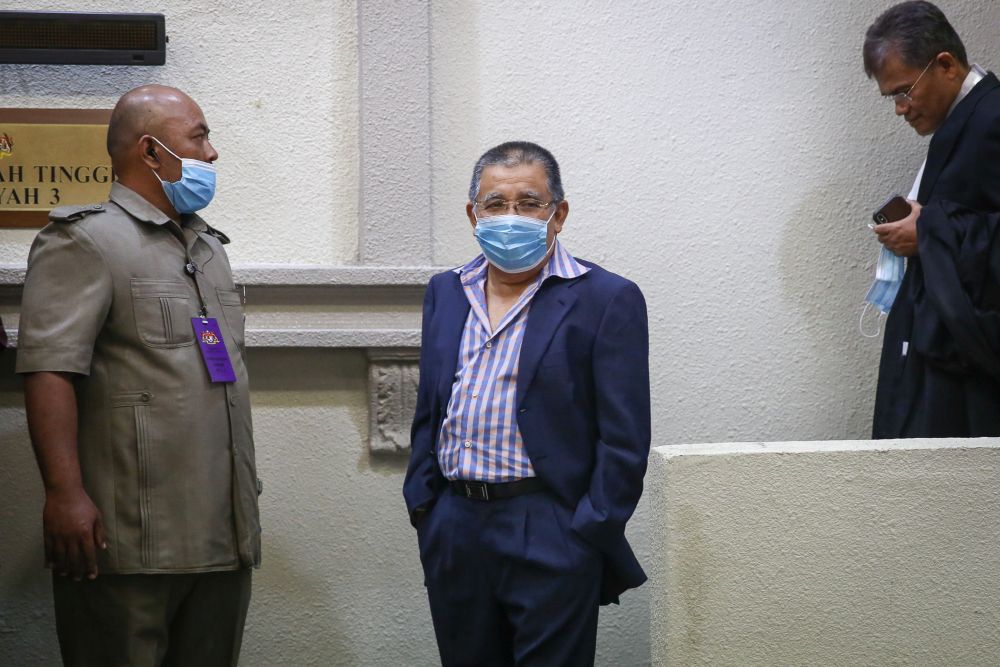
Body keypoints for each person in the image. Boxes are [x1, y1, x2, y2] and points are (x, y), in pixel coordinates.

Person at [17, 85, 261, 666]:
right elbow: (49, 369)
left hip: (222, 533)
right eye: (199, 137)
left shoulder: (207, 248)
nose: (212, 153)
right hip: (130, 540)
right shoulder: (85, 239)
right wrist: (64, 494)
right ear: (151, 152)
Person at [403, 141, 651, 666]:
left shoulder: (605, 298)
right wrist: (426, 507)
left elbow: (624, 438)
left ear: (558, 214)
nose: (510, 216)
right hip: (455, 524)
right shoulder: (446, 291)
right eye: (495, 204)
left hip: (550, 524)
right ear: (473, 214)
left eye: (529, 203)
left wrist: (588, 531)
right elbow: (430, 408)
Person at [863, 2, 1000, 438]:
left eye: (904, 91)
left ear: (945, 65)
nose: (900, 109)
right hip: (944, 361)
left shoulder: (992, 119)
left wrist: (930, 232)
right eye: (892, 97)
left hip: (969, 381)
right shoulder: (965, 120)